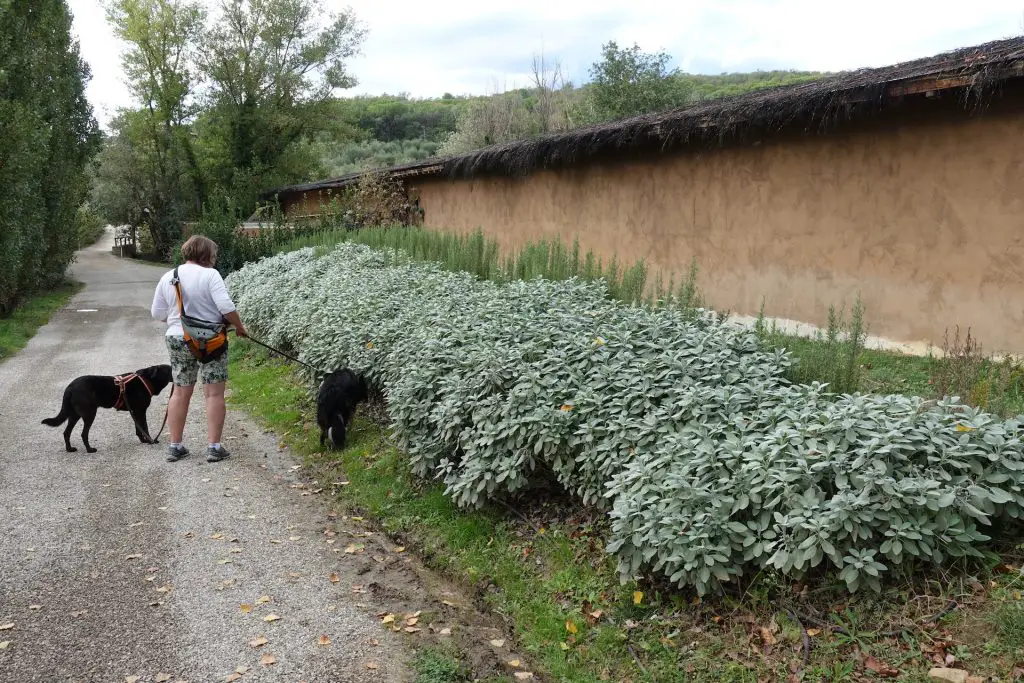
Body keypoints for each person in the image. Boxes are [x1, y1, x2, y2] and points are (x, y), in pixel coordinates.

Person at [150, 235, 248, 464]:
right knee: (214, 393)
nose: (214, 259)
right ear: (206, 255)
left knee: (181, 391)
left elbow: (157, 313)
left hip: (178, 338)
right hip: (212, 341)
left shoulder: (169, 277)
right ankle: (214, 448)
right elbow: (225, 307)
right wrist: (239, 327)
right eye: (213, 255)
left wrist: (176, 322)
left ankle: (175, 446)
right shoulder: (210, 275)